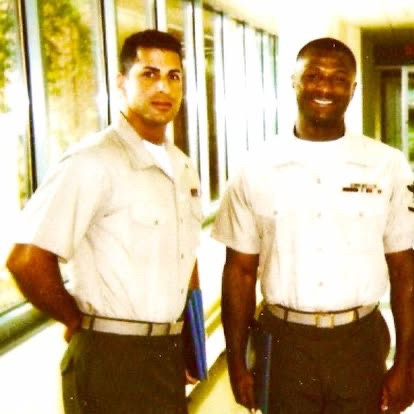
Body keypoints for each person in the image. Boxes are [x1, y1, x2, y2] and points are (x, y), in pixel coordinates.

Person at [212, 37, 414, 413]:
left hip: (360, 342)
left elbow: (405, 272)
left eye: (339, 79)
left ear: (353, 88)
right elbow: (239, 271)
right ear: (294, 81)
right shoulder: (255, 168)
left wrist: (407, 363)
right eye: (314, 75)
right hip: (283, 345)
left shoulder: (387, 166)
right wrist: (237, 362)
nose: (325, 87)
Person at [6, 30, 202, 414]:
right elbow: (26, 260)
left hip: (165, 351)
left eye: (173, 76)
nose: (163, 87)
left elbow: (185, 258)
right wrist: (77, 321)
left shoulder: (182, 167)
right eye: (149, 74)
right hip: (111, 357)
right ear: (122, 82)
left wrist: (187, 342)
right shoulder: (92, 161)